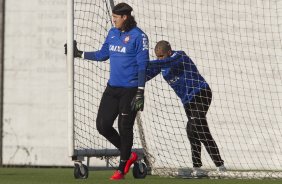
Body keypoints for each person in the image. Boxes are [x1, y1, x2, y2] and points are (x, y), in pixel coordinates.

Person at [65, 3, 149, 180]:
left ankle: (121, 167)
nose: (114, 20)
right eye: (113, 17)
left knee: (124, 127)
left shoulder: (139, 36)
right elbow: (102, 54)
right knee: (102, 125)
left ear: (125, 17)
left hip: (131, 89)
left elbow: (143, 66)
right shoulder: (112, 33)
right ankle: (129, 155)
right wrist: (79, 53)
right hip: (113, 88)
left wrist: (140, 91)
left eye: (116, 18)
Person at [146, 40, 226, 176]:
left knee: (196, 127)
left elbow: (167, 63)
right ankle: (202, 168)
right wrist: (131, 79)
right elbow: (147, 75)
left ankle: (217, 166)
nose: (159, 59)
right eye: (157, 57)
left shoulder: (179, 56)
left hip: (201, 93)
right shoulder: (162, 64)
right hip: (187, 102)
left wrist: (145, 62)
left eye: (161, 56)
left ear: (169, 52)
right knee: (195, 131)